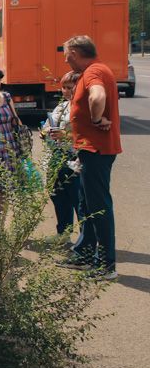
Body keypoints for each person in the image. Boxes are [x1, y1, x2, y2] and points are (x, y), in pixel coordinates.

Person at [61, 35, 121, 279]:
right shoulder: (93, 70)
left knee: (98, 208)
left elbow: (97, 96)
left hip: (96, 150)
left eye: (67, 54)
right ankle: (85, 254)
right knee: (86, 205)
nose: (65, 60)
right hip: (90, 150)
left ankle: (106, 265)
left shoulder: (94, 71)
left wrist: (96, 119)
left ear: (75, 53)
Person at [41, 71, 80, 235]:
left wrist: (65, 135)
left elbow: (89, 136)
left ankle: (86, 241)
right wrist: (45, 132)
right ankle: (63, 234)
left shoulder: (84, 108)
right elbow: (48, 125)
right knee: (58, 195)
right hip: (57, 157)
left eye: (70, 87)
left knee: (78, 200)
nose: (66, 91)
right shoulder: (62, 106)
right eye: (64, 87)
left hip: (75, 159)